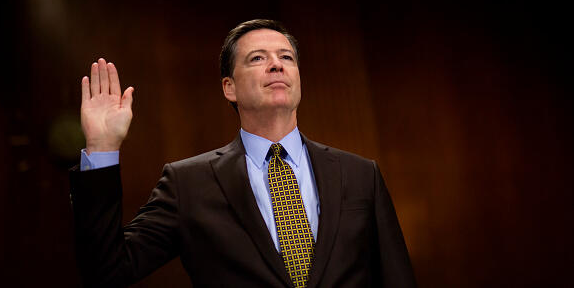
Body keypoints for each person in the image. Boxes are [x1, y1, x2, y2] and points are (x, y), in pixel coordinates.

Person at [70, 19, 416, 288]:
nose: (276, 65)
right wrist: (102, 148)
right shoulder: (188, 183)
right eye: (257, 58)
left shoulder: (360, 175)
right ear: (229, 87)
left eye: (286, 57)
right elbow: (107, 273)